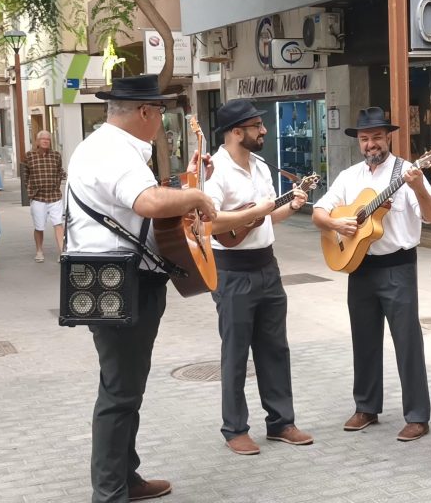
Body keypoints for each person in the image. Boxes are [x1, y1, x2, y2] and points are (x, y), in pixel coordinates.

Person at [65, 75, 216, 502]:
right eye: (160, 112)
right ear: (145, 111)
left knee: (126, 386)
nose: (161, 121)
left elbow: (141, 200)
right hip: (119, 279)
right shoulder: (115, 150)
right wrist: (196, 198)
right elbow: (146, 202)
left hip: (115, 277)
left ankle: (125, 478)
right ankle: (110, 492)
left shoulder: (106, 146)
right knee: (120, 392)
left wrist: (187, 182)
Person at [312, 107, 431, 442]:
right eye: (365, 138)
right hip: (359, 267)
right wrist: (336, 223)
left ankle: (418, 416)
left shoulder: (408, 172)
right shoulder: (349, 176)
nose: (371, 144)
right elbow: (318, 212)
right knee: (364, 340)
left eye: (377, 137)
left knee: (407, 342)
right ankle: (366, 407)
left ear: (388, 138)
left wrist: (419, 188)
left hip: (397, 267)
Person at [205, 98, 313, 456]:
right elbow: (210, 223)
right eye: (257, 126)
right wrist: (254, 213)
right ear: (237, 132)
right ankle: (235, 429)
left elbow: (266, 217)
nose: (264, 130)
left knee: (275, 348)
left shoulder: (261, 166)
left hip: (267, 265)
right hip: (231, 270)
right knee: (235, 352)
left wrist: (290, 206)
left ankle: (281, 423)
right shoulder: (215, 170)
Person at [24, 130, 66, 262]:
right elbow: (26, 175)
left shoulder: (56, 155)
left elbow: (60, 171)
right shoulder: (29, 156)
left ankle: (62, 252)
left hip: (54, 196)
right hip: (38, 197)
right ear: (37, 141)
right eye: (43, 139)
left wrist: (58, 182)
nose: (46, 141)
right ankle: (39, 251)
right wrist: (30, 191)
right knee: (39, 227)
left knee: (58, 224)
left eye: (48, 139)